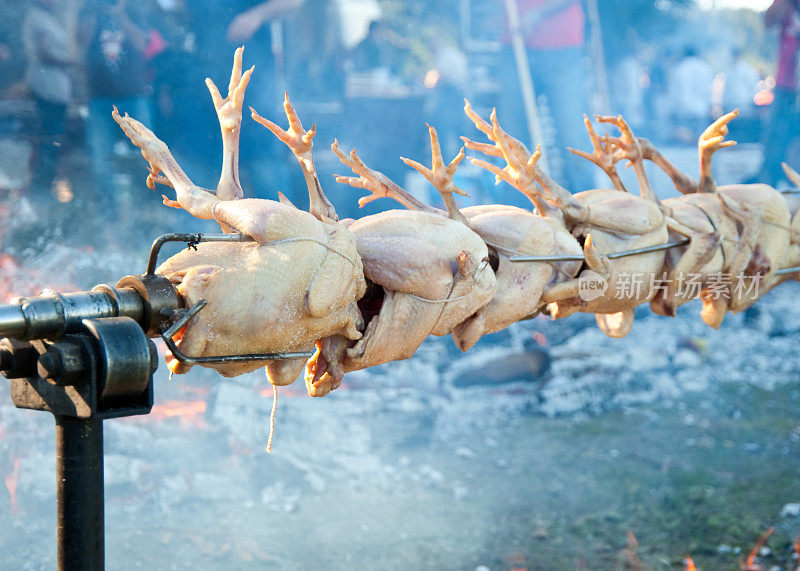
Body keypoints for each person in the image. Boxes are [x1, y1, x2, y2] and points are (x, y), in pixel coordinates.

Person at [497, 0, 594, 193]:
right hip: (515, 43)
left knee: (571, 136)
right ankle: (518, 213)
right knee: (512, 139)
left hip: (562, 47)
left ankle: (585, 209)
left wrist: (537, 14)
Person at [79, 0, 153, 218]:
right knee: (101, 164)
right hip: (100, 98)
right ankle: (109, 224)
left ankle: (145, 216)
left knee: (148, 157)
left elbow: (141, 43)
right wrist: (95, 12)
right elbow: (81, 42)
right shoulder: (90, 8)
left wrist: (120, 14)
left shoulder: (134, 7)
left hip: (134, 96)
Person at [22, 0, 75, 200]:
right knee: (50, 140)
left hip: (55, 89)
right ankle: (41, 191)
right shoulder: (37, 17)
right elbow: (45, 53)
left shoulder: (47, 18)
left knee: (53, 139)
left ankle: (44, 188)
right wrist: (72, 64)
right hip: (46, 87)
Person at [752, 0, 800, 186]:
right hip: (786, 88)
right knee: (773, 141)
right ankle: (768, 186)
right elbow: (768, 21)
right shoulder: (787, 7)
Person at [667, 47, 715, 143]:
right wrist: (711, 106)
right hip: (701, 109)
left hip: (684, 110)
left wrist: (671, 108)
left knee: (685, 142)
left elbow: (674, 91)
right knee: (701, 141)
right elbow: (710, 90)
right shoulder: (705, 68)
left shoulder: (679, 68)